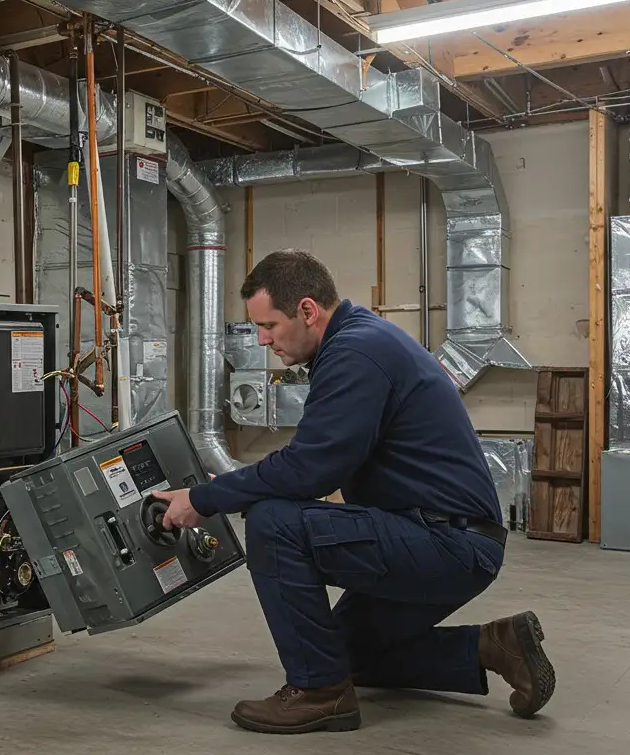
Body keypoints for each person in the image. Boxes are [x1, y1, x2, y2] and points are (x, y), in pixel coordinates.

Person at [150, 250, 554, 735]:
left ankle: (320, 694)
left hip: (449, 544)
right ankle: (494, 645)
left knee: (274, 522)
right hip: (448, 537)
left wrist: (204, 499)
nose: (262, 340)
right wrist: (231, 487)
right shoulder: (359, 340)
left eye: (270, 325)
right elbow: (317, 461)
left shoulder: (355, 353)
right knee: (340, 652)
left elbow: (310, 469)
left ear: (306, 310)